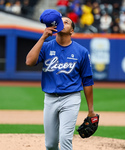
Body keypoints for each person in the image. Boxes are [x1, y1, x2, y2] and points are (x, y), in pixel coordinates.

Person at [26, 9, 97, 150]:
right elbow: (29, 61)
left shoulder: (81, 52)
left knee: (65, 139)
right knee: (50, 144)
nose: (63, 23)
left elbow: (87, 81)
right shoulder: (46, 46)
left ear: (72, 31)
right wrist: (43, 37)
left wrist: (91, 110)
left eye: (67, 22)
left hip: (71, 98)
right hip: (50, 98)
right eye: (61, 21)